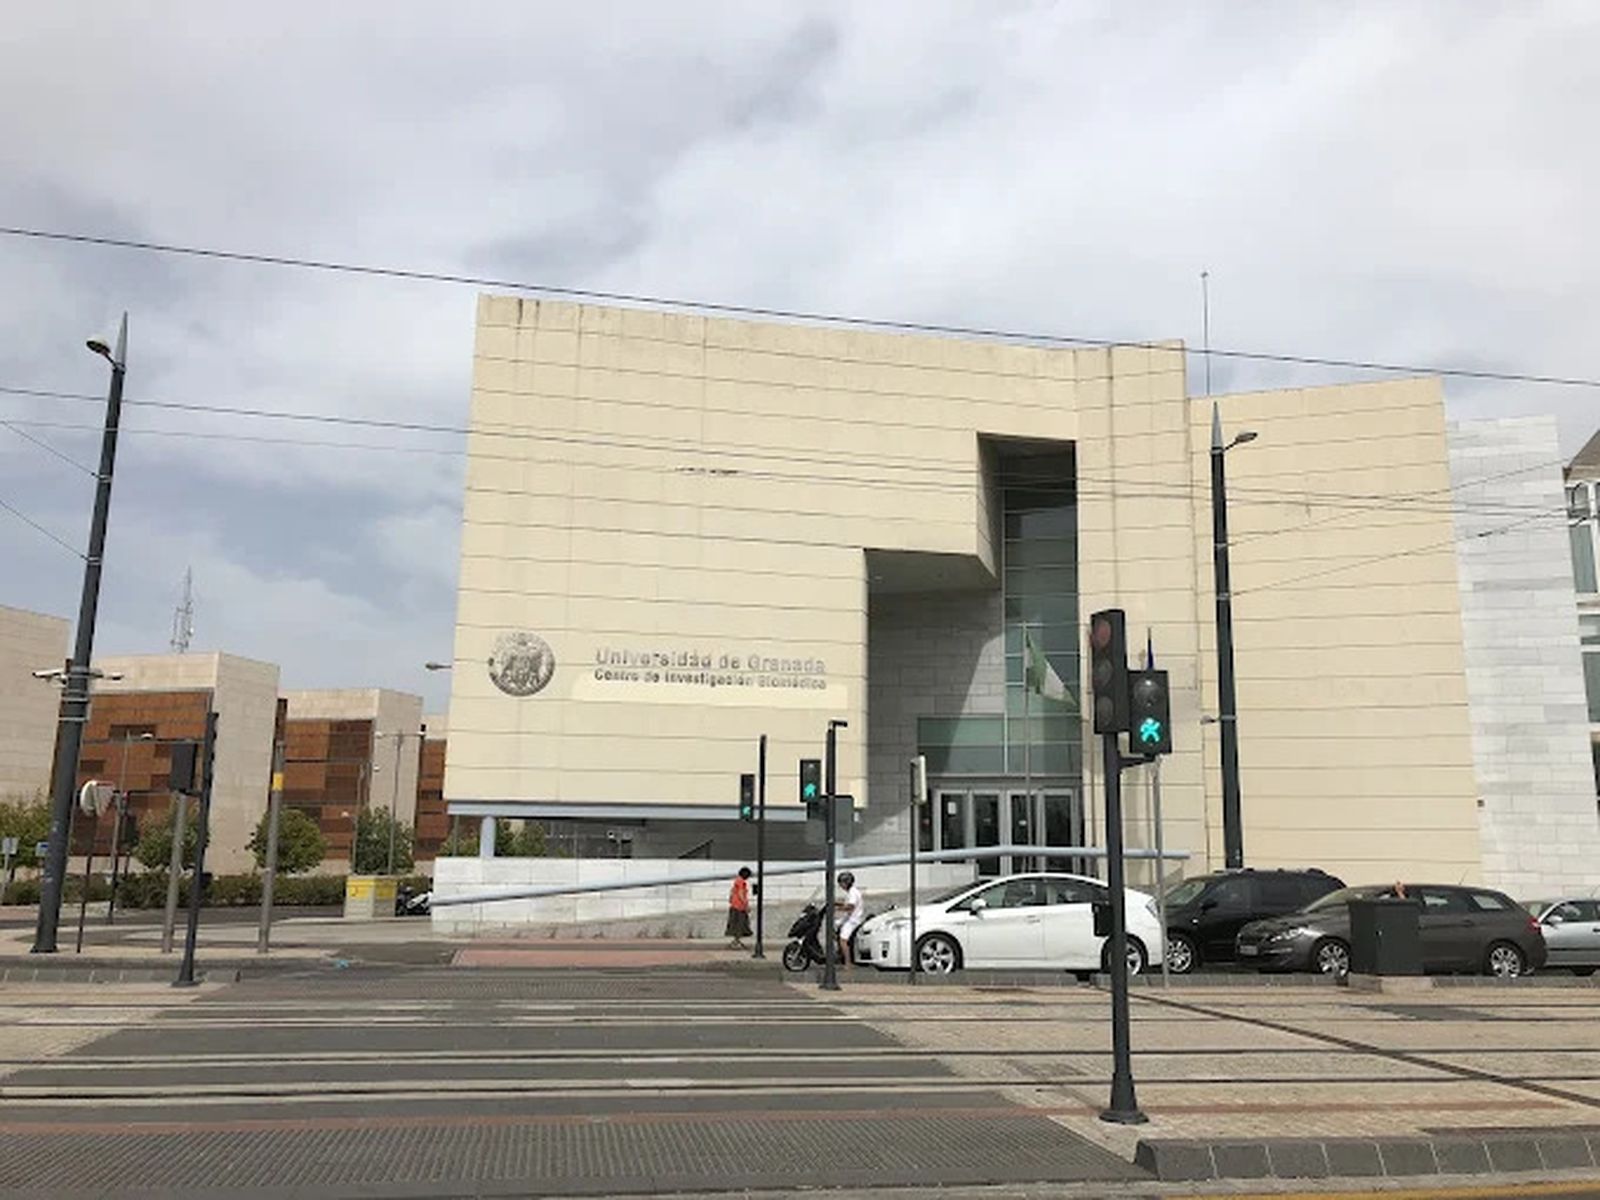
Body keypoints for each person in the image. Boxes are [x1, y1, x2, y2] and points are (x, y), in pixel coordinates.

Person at [833, 871, 865, 966]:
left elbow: (850, 907)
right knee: (834, 926)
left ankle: (848, 962)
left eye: (841, 883)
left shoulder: (853, 893)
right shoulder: (851, 892)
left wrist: (838, 909)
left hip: (853, 920)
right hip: (849, 918)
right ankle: (840, 953)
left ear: (846, 883)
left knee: (843, 940)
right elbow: (847, 904)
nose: (840, 885)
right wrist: (835, 903)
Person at [726, 866, 753, 949]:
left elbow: (732, 892)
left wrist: (731, 900)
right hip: (739, 907)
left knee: (736, 924)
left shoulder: (736, 881)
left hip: (734, 906)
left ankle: (736, 941)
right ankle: (736, 942)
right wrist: (746, 905)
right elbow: (741, 894)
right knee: (740, 925)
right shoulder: (741, 882)